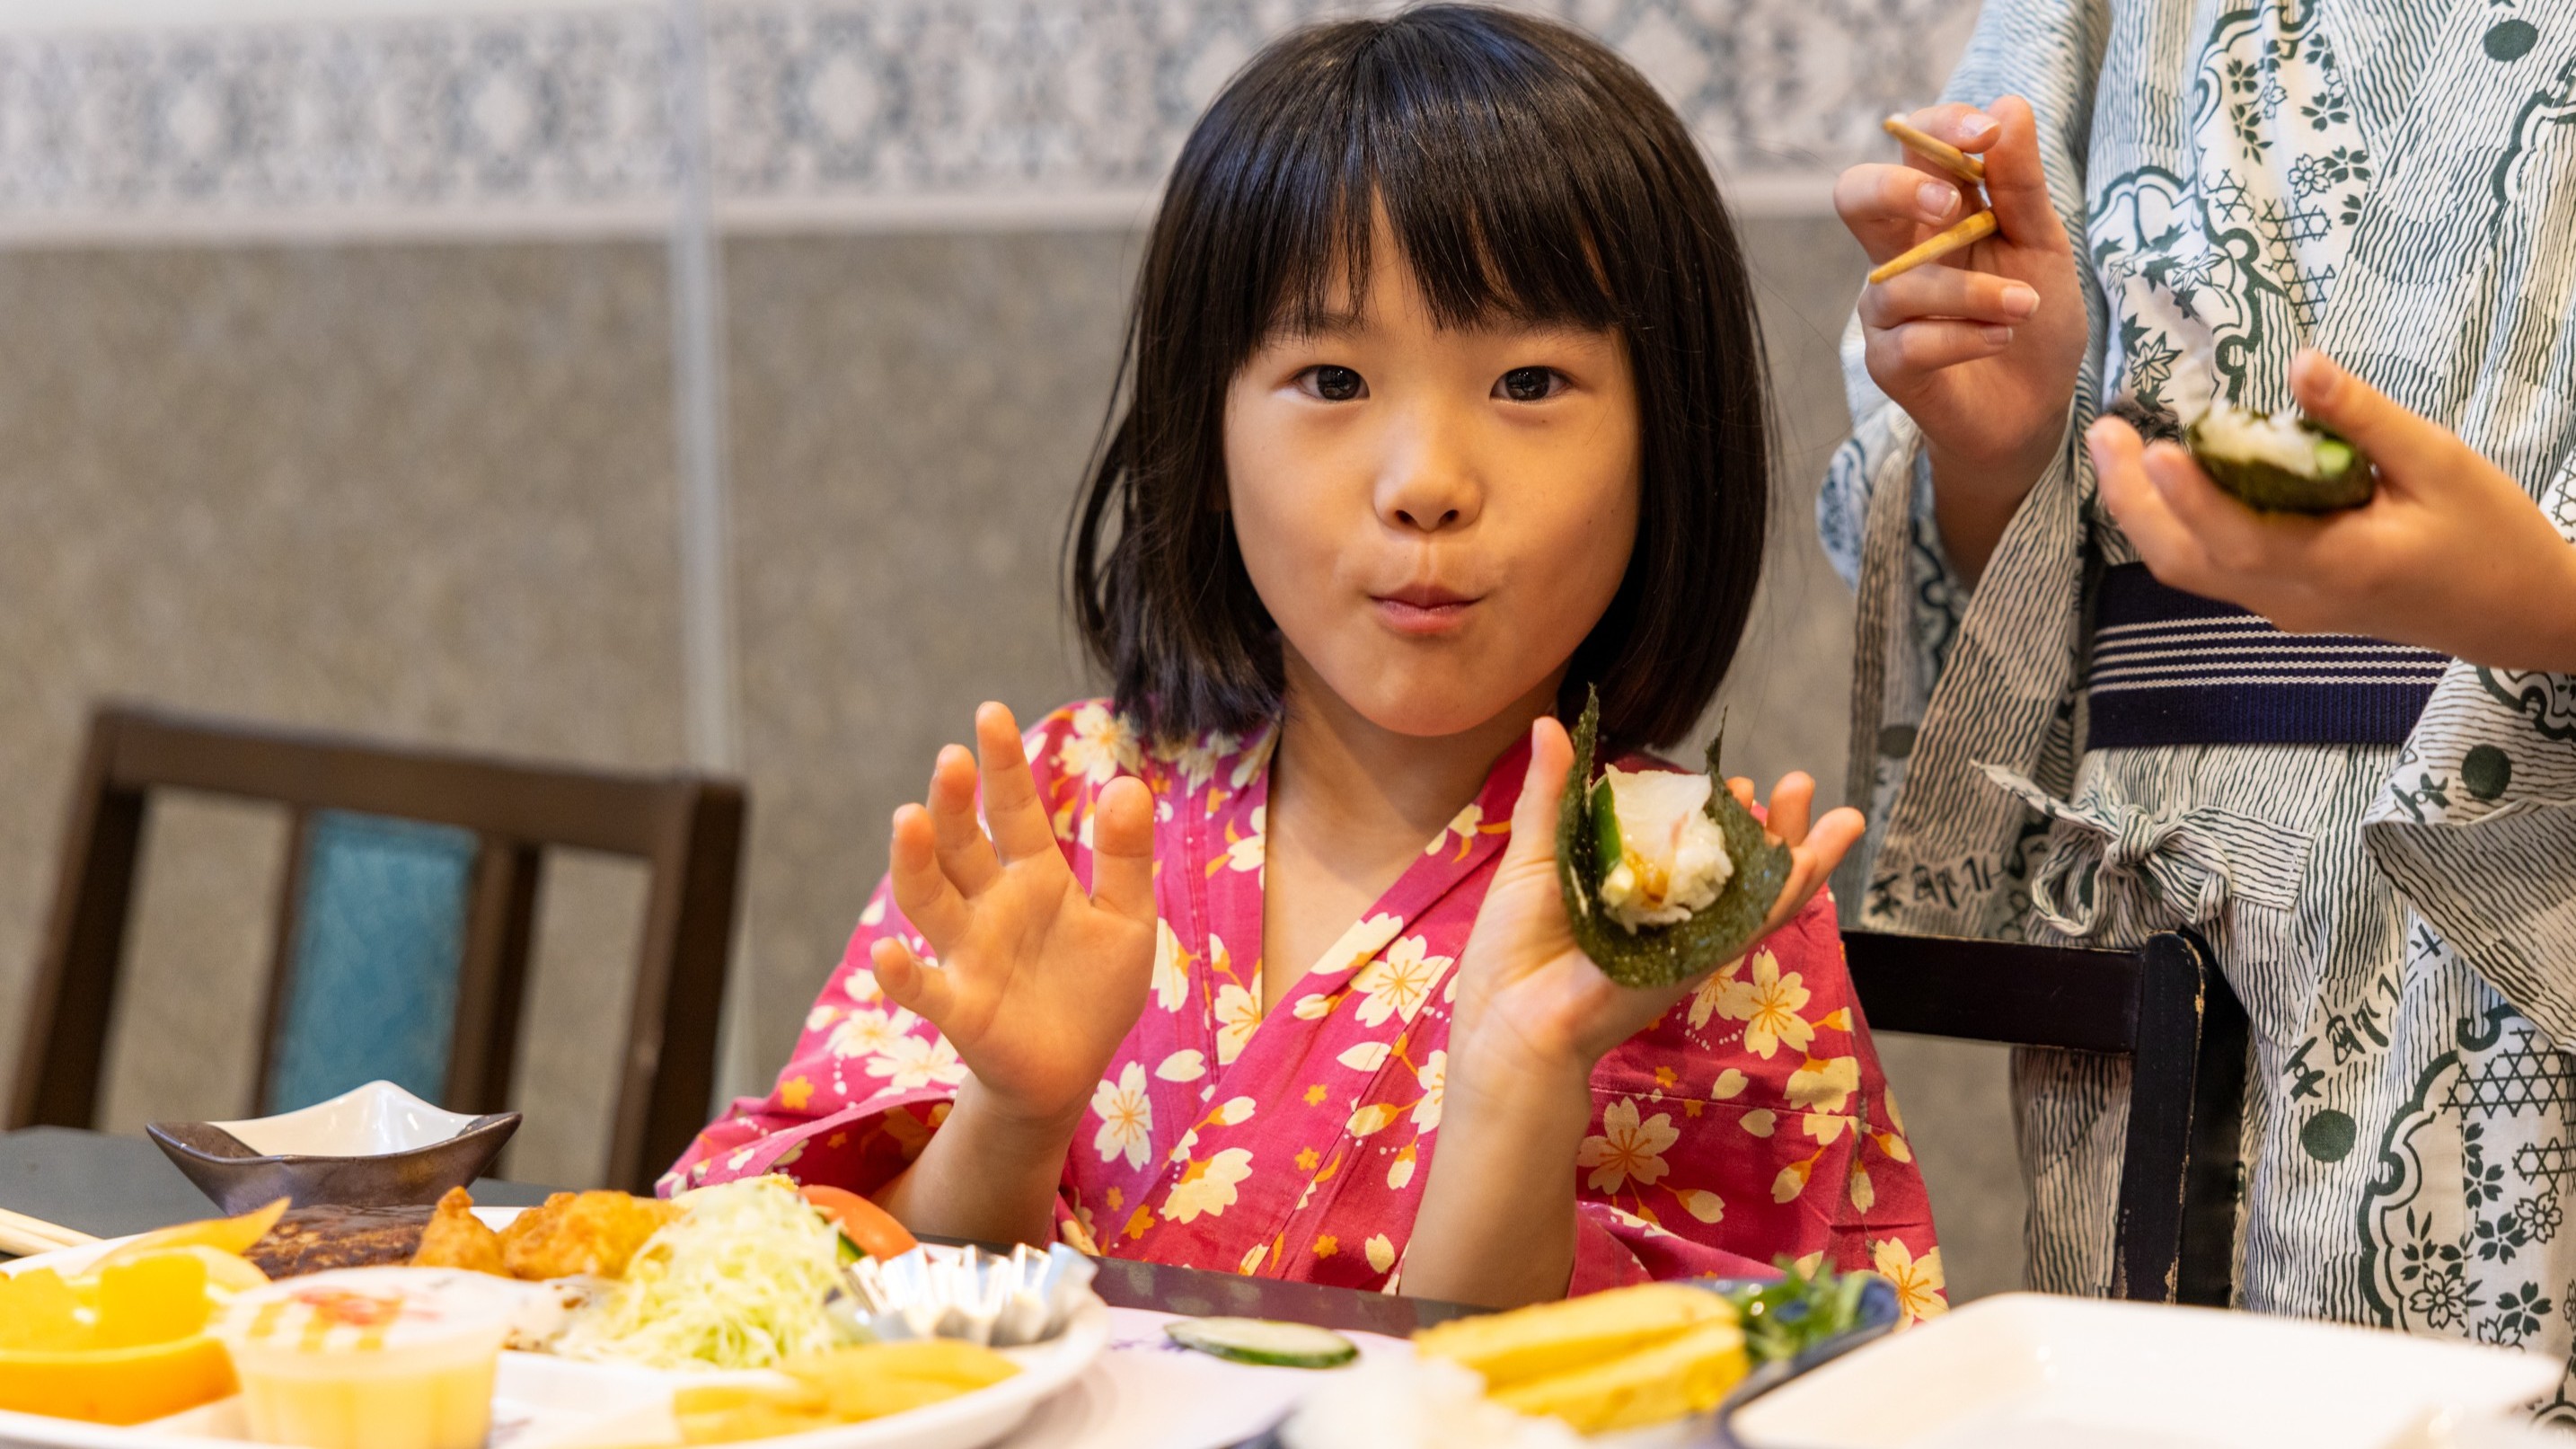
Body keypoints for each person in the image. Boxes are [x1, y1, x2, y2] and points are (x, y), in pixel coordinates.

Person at [669, 6, 1944, 1314]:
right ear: (1207, 437)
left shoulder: (1685, 905)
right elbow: (797, 1298)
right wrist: (1013, 1114)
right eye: (1333, 380)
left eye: (1528, 383)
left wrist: (1518, 1082)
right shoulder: (1065, 804)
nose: (1426, 483)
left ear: (1665, 448)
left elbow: (1707, 1377)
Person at [1822, 0, 2576, 1405]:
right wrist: (1995, 442)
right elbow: (1960, 521)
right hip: (2162, 913)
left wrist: (2546, 605)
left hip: (2528, 939)